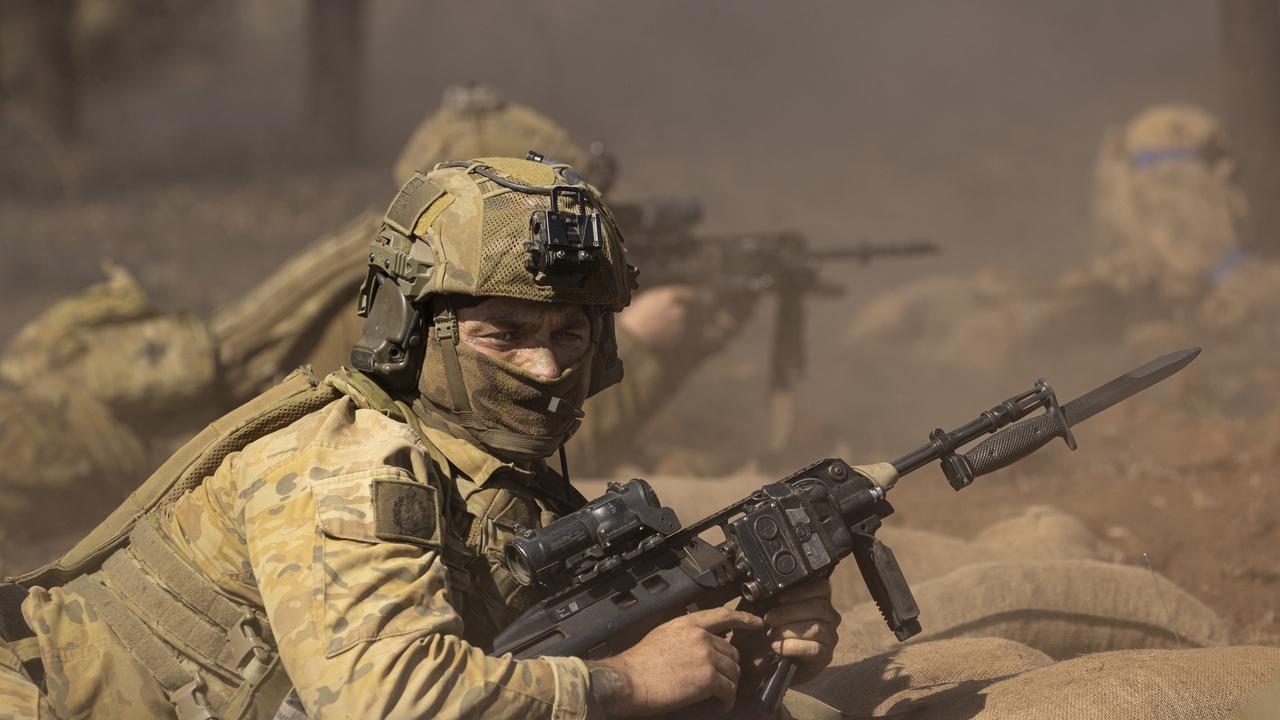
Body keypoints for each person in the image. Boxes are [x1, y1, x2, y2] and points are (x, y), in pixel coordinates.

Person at [0, 156, 838, 719]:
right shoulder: (353, 463)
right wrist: (626, 681)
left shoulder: (497, 479)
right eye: (503, 334)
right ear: (414, 333)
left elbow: (539, 648)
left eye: (571, 335)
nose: (545, 367)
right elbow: (388, 700)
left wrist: (751, 643)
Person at [0, 86, 746, 563]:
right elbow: (524, 421)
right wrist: (648, 348)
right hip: (104, 453)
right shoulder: (418, 291)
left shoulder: (402, 251)